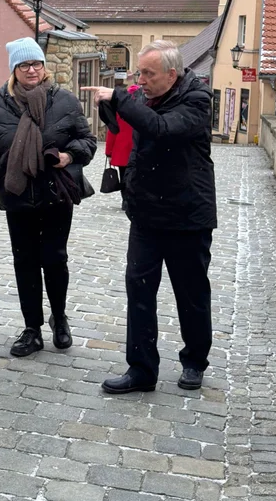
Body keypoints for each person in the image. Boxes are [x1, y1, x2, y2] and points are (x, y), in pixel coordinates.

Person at [82, 41, 216, 393]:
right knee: (139, 291)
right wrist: (108, 107)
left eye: (147, 74)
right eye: (139, 73)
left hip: (188, 215)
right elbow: (123, 127)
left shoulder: (197, 100)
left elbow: (162, 130)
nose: (140, 81)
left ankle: (194, 361)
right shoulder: (143, 96)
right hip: (146, 214)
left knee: (191, 293)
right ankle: (141, 369)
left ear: (172, 74)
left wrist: (121, 98)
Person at [0, 37, 97, 357]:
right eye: (25, 65)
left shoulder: (65, 101)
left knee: (55, 259)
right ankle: (32, 329)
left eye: (37, 64)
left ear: (44, 68)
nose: (32, 70)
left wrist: (69, 157)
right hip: (17, 196)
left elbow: (87, 141)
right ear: (15, 69)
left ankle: (60, 319)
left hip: (55, 193)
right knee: (25, 262)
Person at [105, 72, 139, 209]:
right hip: (137, 148)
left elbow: (112, 131)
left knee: (124, 174)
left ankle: (125, 200)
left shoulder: (120, 109)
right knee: (136, 175)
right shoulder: (144, 109)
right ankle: (133, 199)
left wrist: (109, 151)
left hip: (122, 148)